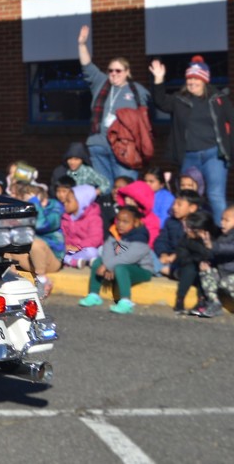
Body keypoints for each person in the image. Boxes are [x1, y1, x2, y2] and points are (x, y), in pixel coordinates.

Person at [149, 56, 234, 218]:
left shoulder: (218, 99)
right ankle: (189, 235)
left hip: (214, 155)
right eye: (189, 78)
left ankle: (222, 236)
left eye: (196, 78)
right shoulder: (179, 100)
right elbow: (160, 102)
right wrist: (159, 79)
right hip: (188, 156)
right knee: (186, 198)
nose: (192, 82)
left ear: (204, 80)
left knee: (215, 195)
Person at [77, 25, 151, 185]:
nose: (114, 74)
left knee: (126, 188)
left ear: (127, 72)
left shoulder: (137, 90)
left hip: (124, 147)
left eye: (118, 71)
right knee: (105, 190)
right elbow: (87, 66)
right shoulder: (101, 82)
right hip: (98, 145)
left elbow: (143, 119)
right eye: (111, 71)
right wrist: (82, 45)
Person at [78, 205, 154, 314]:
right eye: (118, 220)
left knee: (120, 267)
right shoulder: (114, 232)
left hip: (140, 270)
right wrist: (108, 266)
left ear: (136, 223)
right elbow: (107, 250)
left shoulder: (140, 237)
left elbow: (129, 257)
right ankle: (94, 295)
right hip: (118, 265)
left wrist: (108, 265)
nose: (120, 224)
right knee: (98, 262)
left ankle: (126, 302)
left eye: (125, 222)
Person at [195, 207, 234, 318]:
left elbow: (229, 249)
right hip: (223, 272)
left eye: (227, 220)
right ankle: (214, 302)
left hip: (230, 275)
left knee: (225, 282)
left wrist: (213, 246)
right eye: (222, 219)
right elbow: (215, 253)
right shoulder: (222, 235)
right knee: (205, 269)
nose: (222, 223)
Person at [60, 184, 104, 268]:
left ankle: (69, 260)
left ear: (81, 201)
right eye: (65, 201)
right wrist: (64, 246)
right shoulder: (65, 217)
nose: (64, 203)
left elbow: (95, 239)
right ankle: (72, 261)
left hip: (83, 249)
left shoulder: (94, 218)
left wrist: (78, 247)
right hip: (68, 250)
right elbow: (61, 235)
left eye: (68, 201)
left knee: (92, 252)